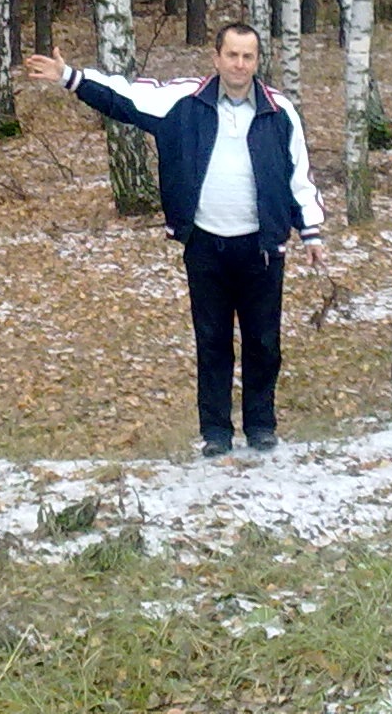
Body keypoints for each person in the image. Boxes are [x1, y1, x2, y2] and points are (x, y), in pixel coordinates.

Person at [23, 23, 325, 457]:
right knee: (212, 341)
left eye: (248, 56)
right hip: (205, 245)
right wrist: (70, 77)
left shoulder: (280, 112)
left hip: (261, 248)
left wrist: (310, 230)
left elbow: (299, 175)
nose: (240, 64)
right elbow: (124, 98)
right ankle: (216, 433)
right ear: (216, 58)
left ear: (257, 61)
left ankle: (261, 426)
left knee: (263, 342)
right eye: (232, 55)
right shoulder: (183, 101)